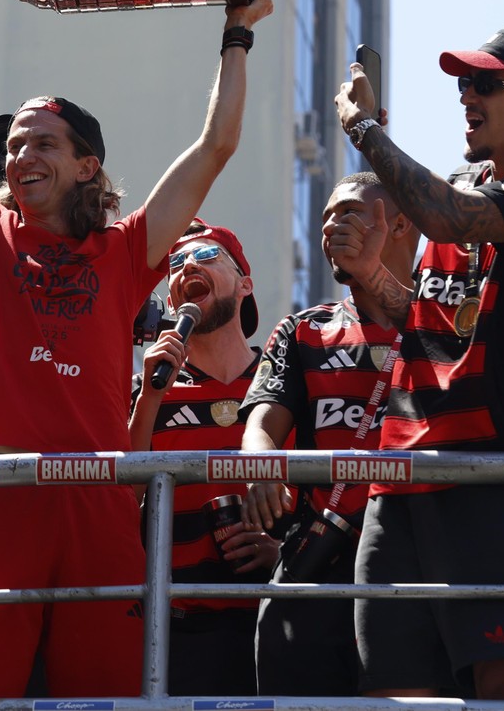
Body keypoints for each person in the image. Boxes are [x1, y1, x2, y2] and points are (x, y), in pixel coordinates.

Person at [0, 0, 272, 696]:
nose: (20, 158)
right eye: (12, 147)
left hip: (99, 497)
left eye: (43, 143)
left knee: (102, 696)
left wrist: (236, 34)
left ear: (87, 165)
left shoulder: (129, 248)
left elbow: (217, 145)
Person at [333, 26, 504, 699]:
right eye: (462, 83)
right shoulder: (462, 183)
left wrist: (366, 129)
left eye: (485, 83)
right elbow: (434, 318)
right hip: (399, 476)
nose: (466, 96)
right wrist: (374, 278)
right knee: (394, 689)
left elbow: (453, 217)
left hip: (495, 470)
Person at [239, 172, 421, 695]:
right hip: (314, 557)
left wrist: (375, 276)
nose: (331, 226)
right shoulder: (302, 330)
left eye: (349, 213)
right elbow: (262, 424)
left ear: (402, 223)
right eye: (325, 217)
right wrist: (259, 462)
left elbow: (446, 342)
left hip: (416, 561)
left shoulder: (453, 319)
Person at [129, 220, 278, 696]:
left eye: (207, 255)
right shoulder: (146, 389)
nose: (187, 264)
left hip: (279, 616)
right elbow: (120, 498)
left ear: (245, 283)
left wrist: (284, 553)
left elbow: (326, 492)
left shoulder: (283, 384)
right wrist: (149, 400)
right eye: (174, 263)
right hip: (178, 627)